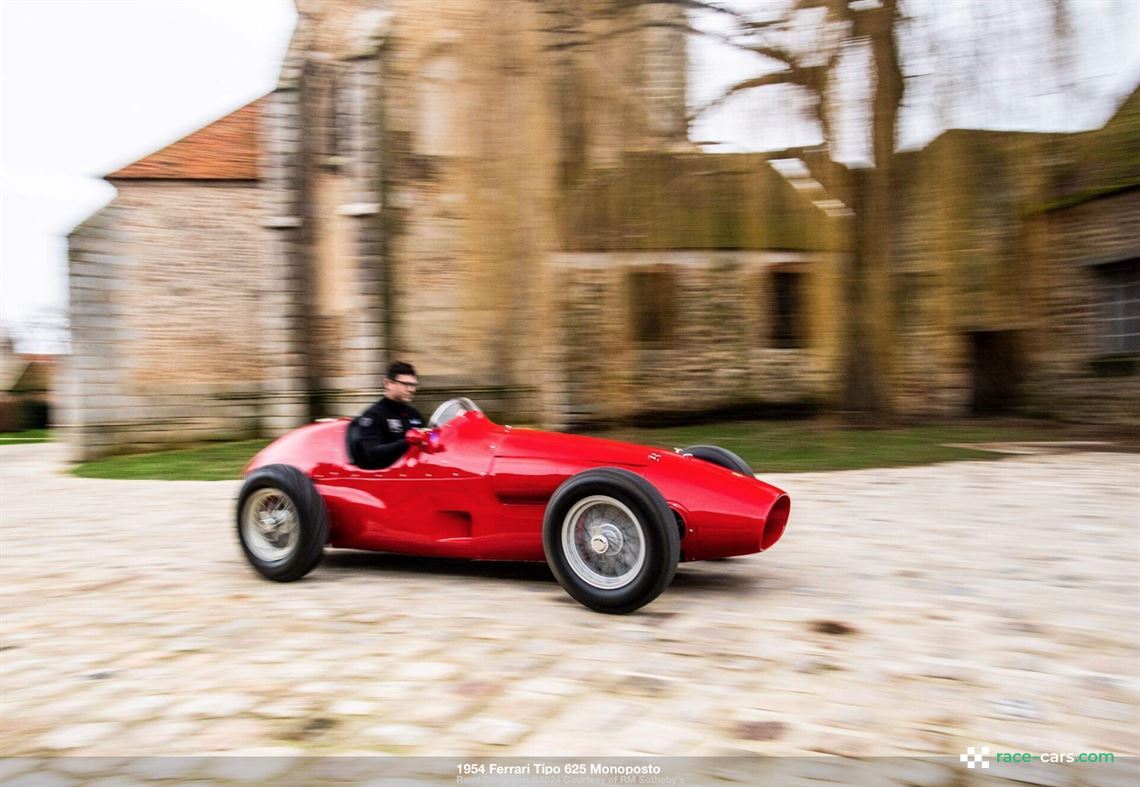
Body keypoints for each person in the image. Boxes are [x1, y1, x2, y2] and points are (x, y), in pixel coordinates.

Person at [354, 361, 435, 469]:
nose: (411, 389)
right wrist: (407, 442)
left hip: (416, 469)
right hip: (388, 475)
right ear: (388, 384)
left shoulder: (414, 414)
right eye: (406, 384)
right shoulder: (373, 415)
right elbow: (372, 453)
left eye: (414, 385)